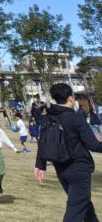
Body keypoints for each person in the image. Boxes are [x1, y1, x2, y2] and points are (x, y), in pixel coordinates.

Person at [35, 82, 102, 222]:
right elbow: (94, 145)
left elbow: (43, 141)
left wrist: (40, 165)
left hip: (61, 170)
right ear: (71, 98)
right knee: (75, 211)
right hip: (78, 169)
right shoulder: (75, 118)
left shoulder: (49, 117)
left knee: (83, 204)